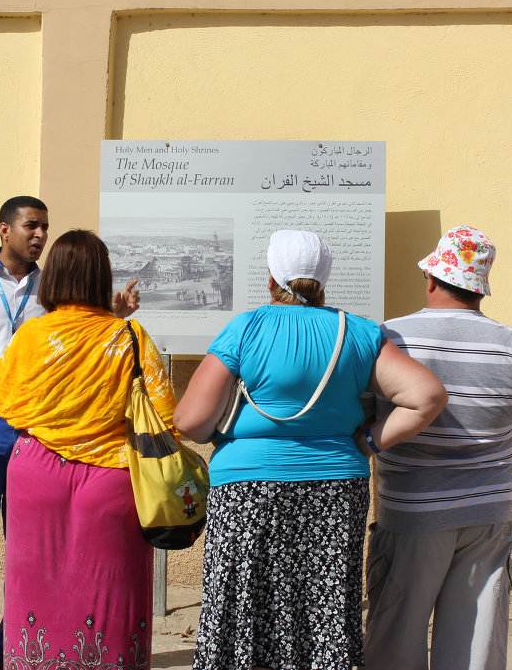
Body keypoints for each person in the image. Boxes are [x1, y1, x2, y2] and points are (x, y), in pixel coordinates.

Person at [173, 230, 448, 670]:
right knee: (322, 609)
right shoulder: (356, 332)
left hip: (248, 489)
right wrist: (371, 440)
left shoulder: (246, 328)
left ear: (270, 279)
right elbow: (427, 396)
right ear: (324, 280)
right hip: (335, 489)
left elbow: (190, 421)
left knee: (241, 608)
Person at [0, 199, 140, 670]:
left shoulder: (52, 287)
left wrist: (114, 312)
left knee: (30, 546)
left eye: (45, 226)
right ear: (5, 229)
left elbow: (82, 335)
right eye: (31, 225)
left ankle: (13, 646)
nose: (40, 234)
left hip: (35, 432)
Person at [362, 226, 512, 670]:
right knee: (475, 646)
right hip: (488, 515)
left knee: (395, 638)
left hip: (411, 513)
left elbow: (364, 417)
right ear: (480, 290)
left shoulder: (389, 338)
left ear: (431, 279)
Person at [0, 229, 176, 670]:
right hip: (111, 477)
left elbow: (2, 397)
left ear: (53, 278)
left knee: (36, 587)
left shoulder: (32, 336)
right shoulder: (128, 337)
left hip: (35, 473)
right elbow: (165, 416)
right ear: (101, 279)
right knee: (110, 591)